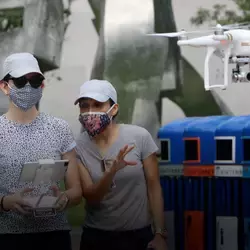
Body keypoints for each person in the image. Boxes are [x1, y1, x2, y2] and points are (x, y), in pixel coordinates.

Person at [0, 52, 82, 250]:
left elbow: (76, 190)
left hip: (54, 235)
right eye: (20, 81)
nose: (29, 87)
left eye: (35, 80)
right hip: (8, 236)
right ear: (4, 86)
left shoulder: (59, 128)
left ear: (42, 85)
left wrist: (65, 198)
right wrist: (5, 201)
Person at [75, 79, 168, 250]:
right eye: (84, 106)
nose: (89, 112)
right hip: (96, 238)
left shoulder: (139, 137)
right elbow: (91, 197)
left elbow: (154, 187)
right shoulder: (78, 146)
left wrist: (160, 234)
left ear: (114, 109)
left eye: (97, 105)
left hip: (138, 237)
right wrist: (110, 173)